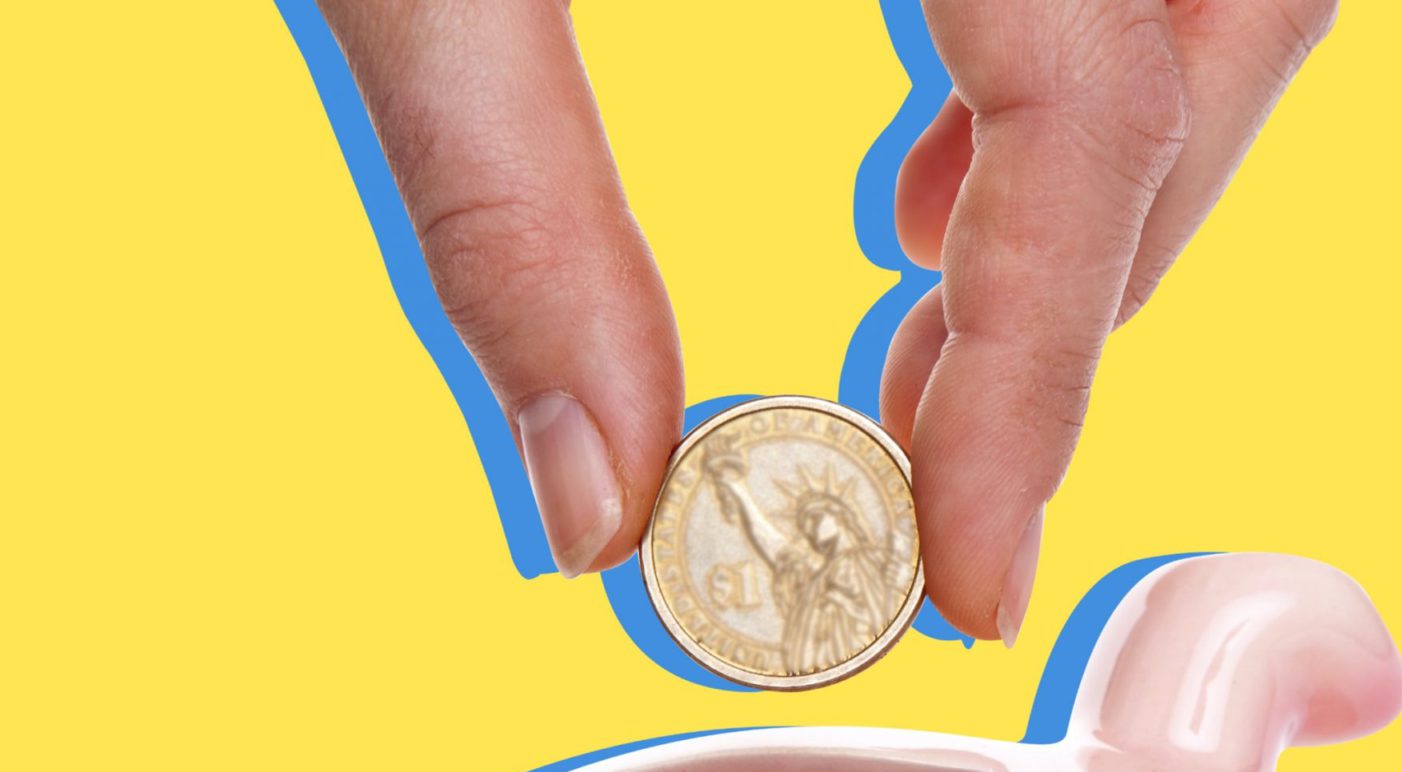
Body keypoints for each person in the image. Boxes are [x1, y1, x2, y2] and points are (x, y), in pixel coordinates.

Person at [318, 0, 1338, 643]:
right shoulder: (797, 554)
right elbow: (758, 523)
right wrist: (727, 484)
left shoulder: (825, 572)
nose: (811, 531)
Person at [712, 467, 899, 674]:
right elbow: (772, 544)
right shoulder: (814, 579)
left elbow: (881, 608)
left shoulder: (869, 559)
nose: (810, 530)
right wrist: (738, 490)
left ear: (838, 516)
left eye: (815, 519)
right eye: (805, 527)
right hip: (819, 668)